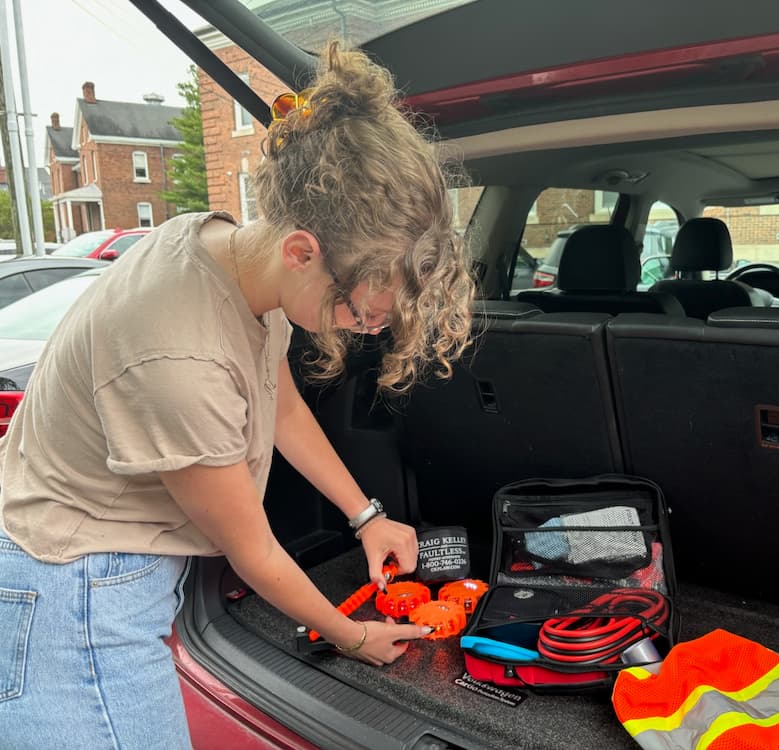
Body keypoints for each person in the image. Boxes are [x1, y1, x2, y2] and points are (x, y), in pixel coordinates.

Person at [0, 40, 474, 750]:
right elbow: (254, 552)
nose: (367, 329)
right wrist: (353, 637)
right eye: (361, 312)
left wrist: (366, 514)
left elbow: (275, 401)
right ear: (302, 251)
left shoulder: (231, 254)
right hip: (77, 594)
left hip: (115, 570)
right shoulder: (177, 353)